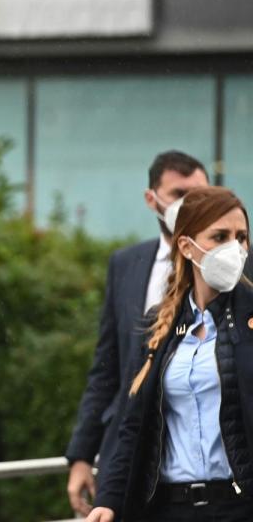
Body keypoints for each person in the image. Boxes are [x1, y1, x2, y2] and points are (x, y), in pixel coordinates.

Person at [85, 186, 252, 521]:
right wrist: (109, 499)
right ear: (187, 247)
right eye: (219, 236)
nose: (234, 248)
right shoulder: (159, 325)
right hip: (168, 507)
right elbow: (132, 425)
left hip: (238, 505)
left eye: (241, 236)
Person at [65, 151, 212, 515]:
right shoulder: (126, 264)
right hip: (130, 460)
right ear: (152, 199)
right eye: (180, 194)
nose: (191, 205)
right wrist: (82, 455)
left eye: (201, 195)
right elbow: (107, 367)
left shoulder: (233, 267)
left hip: (207, 470)